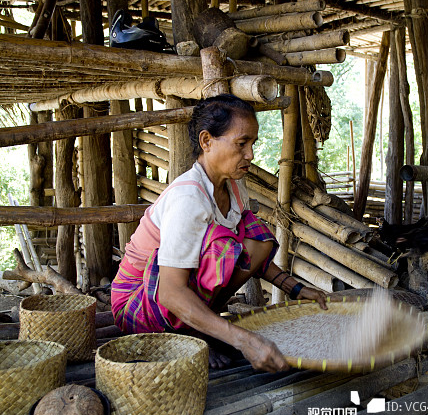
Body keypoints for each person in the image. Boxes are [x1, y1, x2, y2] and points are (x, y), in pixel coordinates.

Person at [111, 94, 328, 372]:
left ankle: (201, 322)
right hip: (139, 303)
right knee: (223, 248)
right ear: (206, 141)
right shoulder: (188, 198)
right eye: (241, 143)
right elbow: (169, 292)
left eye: (252, 143)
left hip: (168, 295)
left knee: (254, 238)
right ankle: (197, 331)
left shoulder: (233, 184)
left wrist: (294, 288)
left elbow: (252, 253)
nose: (250, 154)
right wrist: (243, 340)